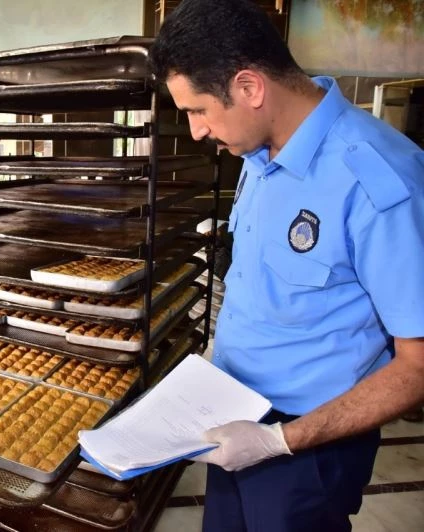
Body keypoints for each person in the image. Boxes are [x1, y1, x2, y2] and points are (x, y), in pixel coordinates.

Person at [150, 1, 424, 530]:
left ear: (250, 87)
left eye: (199, 110)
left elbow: (418, 365)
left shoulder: (378, 178)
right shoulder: (258, 154)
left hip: (310, 449)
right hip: (233, 420)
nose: (196, 131)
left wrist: (278, 441)